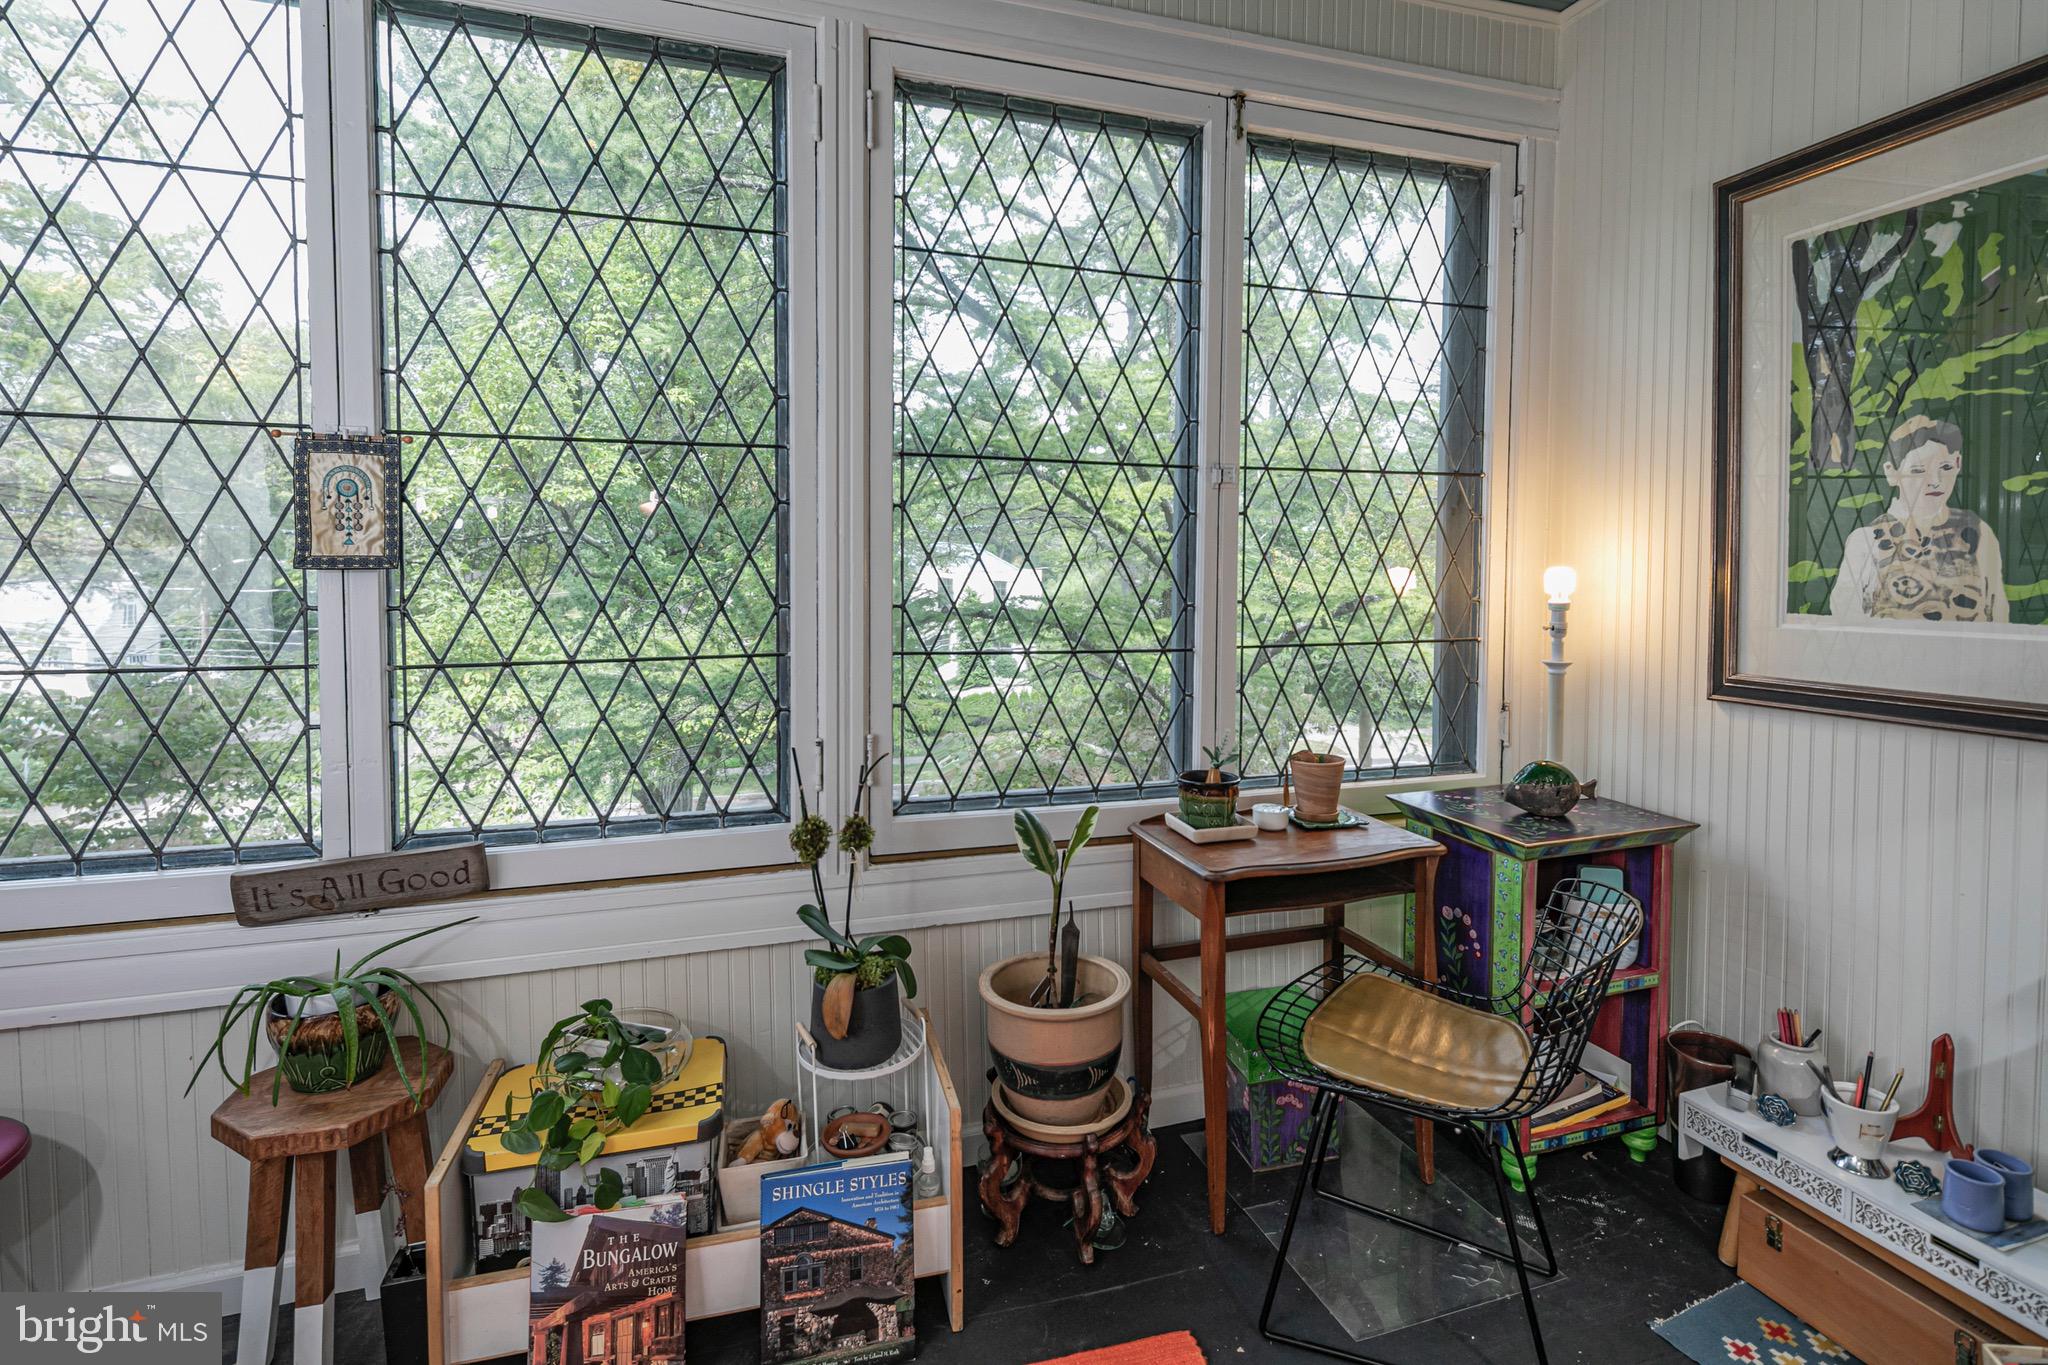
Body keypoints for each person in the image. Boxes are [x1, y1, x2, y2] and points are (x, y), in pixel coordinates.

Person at [1829, 415, 2009, 623]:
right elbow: (1845, 619)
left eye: (1946, 467)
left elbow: (1998, 613)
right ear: (1891, 472)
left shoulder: (1978, 533)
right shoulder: (1867, 540)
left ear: (1958, 464)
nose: (1935, 481)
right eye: (1919, 470)